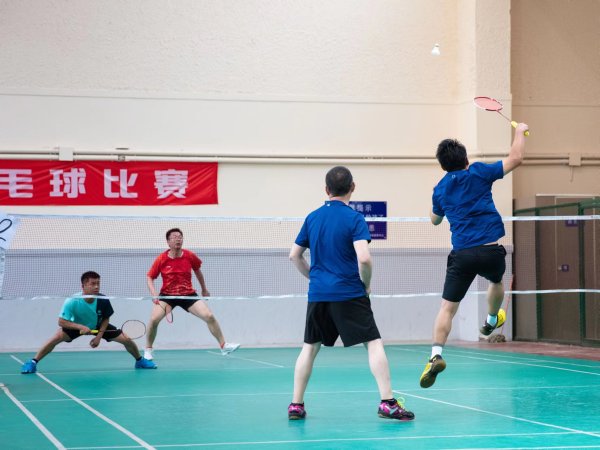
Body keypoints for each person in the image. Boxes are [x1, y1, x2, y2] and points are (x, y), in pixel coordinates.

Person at [287, 166, 414, 421]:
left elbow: (294, 255)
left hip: (319, 294)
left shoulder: (312, 218)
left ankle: (296, 405)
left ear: (326, 190)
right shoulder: (354, 218)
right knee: (373, 343)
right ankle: (388, 403)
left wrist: (315, 278)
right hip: (349, 292)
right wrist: (366, 285)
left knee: (309, 348)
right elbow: (364, 258)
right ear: (352, 187)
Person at [420, 123, 529, 388]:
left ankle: (435, 355)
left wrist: (437, 205)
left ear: (443, 166)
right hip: (491, 250)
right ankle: (491, 320)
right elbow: (516, 158)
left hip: (462, 255)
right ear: (466, 159)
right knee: (496, 281)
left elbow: (435, 220)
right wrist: (520, 131)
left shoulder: (440, 188)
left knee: (447, 308)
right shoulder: (479, 172)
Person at [21, 271, 156, 374]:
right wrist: (80, 326)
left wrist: (98, 337)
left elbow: (106, 319)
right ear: (83, 285)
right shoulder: (72, 301)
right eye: (92, 284)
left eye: (98, 283)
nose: (96, 287)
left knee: (126, 339)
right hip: (76, 326)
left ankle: (140, 361)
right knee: (56, 338)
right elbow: (61, 322)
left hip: (98, 325)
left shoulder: (103, 299)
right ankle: (32, 362)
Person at [144, 228, 239, 360]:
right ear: (168, 242)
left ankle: (224, 346)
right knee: (154, 319)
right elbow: (149, 276)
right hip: (167, 296)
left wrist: (204, 289)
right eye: (174, 237)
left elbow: (197, 271)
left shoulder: (189, 255)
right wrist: (154, 294)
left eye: (180, 237)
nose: (178, 239)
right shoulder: (161, 259)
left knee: (209, 316)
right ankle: (148, 350)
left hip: (187, 295)